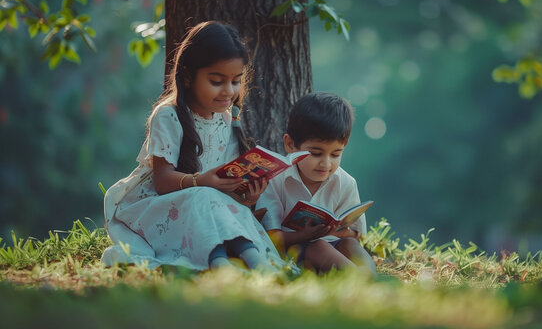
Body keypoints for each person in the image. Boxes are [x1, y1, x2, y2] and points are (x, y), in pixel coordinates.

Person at [101, 21, 284, 272]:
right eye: (217, 81)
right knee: (204, 196)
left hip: (206, 203)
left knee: (223, 204)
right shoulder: (168, 116)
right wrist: (201, 181)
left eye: (235, 81)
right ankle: (219, 263)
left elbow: (222, 187)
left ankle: (257, 262)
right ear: (188, 76)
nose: (228, 91)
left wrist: (246, 196)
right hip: (160, 207)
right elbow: (162, 181)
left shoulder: (225, 118)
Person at [256, 92, 376, 273]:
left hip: (334, 244)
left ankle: (369, 276)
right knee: (318, 246)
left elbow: (357, 234)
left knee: (350, 244)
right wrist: (305, 235)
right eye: (316, 153)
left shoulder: (346, 183)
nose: (326, 164)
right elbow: (272, 237)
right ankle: (355, 279)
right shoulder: (276, 179)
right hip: (294, 250)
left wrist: (338, 231)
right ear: (290, 145)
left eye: (336, 154)